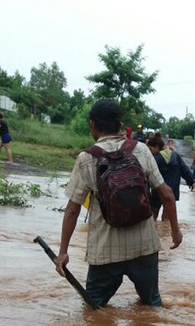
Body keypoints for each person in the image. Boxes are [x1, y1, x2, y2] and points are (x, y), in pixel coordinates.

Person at [56, 99, 182, 308]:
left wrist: (63, 252)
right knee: (152, 307)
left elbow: (72, 209)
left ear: (93, 125)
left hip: (105, 252)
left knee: (93, 311)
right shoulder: (141, 150)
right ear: (119, 124)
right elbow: (167, 194)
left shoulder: (87, 158)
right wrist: (175, 231)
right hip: (144, 247)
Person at [147, 134, 195, 219]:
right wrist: (190, 181)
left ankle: (156, 231)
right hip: (172, 190)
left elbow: (147, 174)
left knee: (153, 216)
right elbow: (184, 169)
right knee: (167, 217)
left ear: (157, 147)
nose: (149, 152)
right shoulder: (175, 155)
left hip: (158, 190)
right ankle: (165, 231)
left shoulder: (155, 159)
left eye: (150, 149)